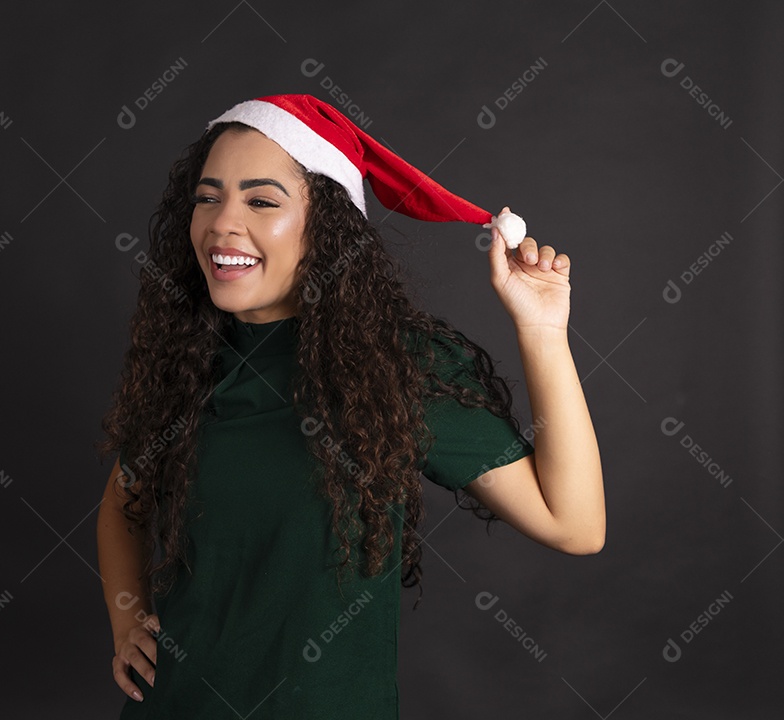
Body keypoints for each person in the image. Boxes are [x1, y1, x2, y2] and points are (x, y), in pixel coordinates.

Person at [96, 94, 604, 718]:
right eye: (208, 196)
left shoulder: (395, 366)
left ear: (326, 225)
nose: (223, 222)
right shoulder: (184, 360)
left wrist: (544, 333)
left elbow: (575, 525)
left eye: (261, 200)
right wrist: (127, 622)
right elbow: (123, 504)